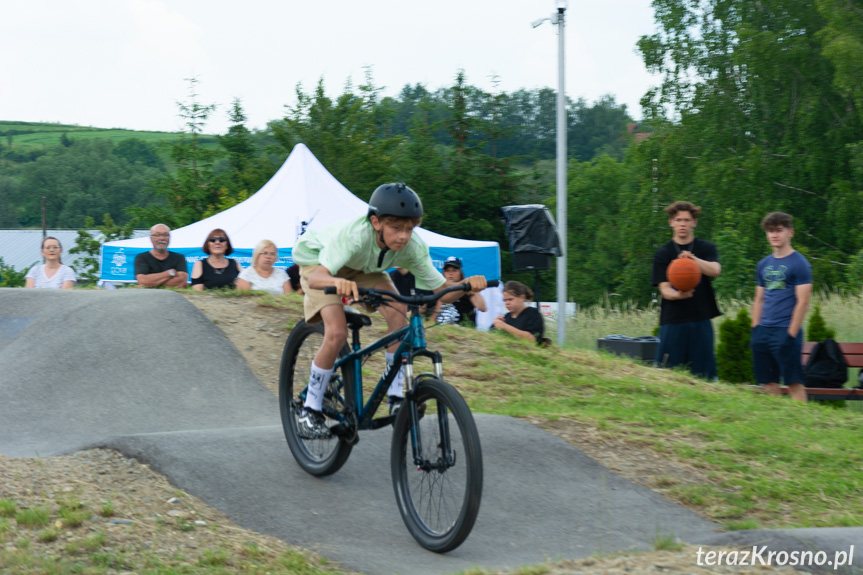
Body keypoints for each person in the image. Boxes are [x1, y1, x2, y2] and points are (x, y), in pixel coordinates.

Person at [290, 182, 487, 438]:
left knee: (398, 310)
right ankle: (310, 410)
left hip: (364, 269)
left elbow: (443, 291)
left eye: (409, 228)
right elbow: (317, 278)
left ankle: (396, 398)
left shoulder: (413, 247)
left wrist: (467, 285)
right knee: (337, 333)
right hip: (319, 264)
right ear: (376, 223)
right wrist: (337, 282)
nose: (404, 236)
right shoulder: (354, 236)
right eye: (396, 228)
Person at [651, 201, 722, 379]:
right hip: (673, 320)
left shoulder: (706, 248)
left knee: (704, 376)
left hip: (701, 318)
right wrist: (680, 295)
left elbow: (715, 270)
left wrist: (693, 259)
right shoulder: (663, 253)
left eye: (687, 220)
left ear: (694, 223)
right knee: (668, 374)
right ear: (671, 222)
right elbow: (665, 290)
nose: (682, 224)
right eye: (678, 220)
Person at [751, 212, 812, 402]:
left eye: (779, 230)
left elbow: (803, 302)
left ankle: (801, 426)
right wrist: (756, 329)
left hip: (785, 331)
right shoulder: (763, 264)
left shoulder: (800, 264)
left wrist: (791, 334)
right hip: (764, 331)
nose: (774, 235)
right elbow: (759, 299)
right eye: (770, 231)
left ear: (790, 232)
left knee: (793, 383)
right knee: (769, 383)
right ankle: (776, 424)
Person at [435, 256, 486, 325]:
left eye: (454, 270)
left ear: (460, 272)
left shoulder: (466, 287)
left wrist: (473, 289)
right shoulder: (437, 289)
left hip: (464, 328)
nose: (451, 274)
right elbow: (433, 316)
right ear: (443, 273)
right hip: (441, 327)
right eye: (447, 270)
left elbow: (482, 308)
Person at [135, 224, 189, 288]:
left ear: (169, 238)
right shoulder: (142, 257)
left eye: (165, 235)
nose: (162, 238)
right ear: (151, 238)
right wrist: (170, 273)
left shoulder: (179, 257)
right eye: (157, 235)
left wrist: (152, 282)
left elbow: (182, 282)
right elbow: (143, 282)